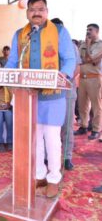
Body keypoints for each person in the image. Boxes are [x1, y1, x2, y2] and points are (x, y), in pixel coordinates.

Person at [5, 0, 76, 198]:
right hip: (27, 97)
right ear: (27, 12)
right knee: (34, 138)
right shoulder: (21, 35)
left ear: (47, 11)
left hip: (53, 96)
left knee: (52, 138)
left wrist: (64, 75)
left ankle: (54, 178)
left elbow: (69, 59)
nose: (37, 13)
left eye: (41, 9)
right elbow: (12, 61)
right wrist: (4, 76)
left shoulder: (60, 32)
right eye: (33, 9)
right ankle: (39, 175)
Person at [51, 18, 81, 171]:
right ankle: (49, 156)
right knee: (50, 125)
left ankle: (67, 157)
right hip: (49, 91)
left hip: (67, 90)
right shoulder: (45, 44)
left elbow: (76, 68)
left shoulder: (72, 45)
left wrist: (63, 80)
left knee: (67, 124)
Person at [74, 23, 102, 140]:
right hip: (83, 78)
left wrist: (89, 45)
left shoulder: (100, 44)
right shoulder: (83, 44)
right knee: (82, 105)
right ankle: (84, 126)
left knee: (96, 106)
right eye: (87, 29)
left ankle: (96, 129)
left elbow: (93, 60)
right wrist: (88, 57)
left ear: (97, 31)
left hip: (94, 77)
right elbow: (80, 60)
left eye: (90, 30)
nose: (88, 31)